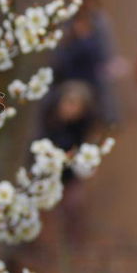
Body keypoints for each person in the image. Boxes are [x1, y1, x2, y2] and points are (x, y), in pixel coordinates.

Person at [52, 0, 121, 127]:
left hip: (95, 68)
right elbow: (60, 52)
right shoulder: (68, 22)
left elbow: (106, 46)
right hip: (74, 71)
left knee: (105, 92)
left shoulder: (99, 20)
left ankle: (109, 119)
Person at [39, 81, 97, 245]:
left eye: (77, 105)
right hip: (48, 173)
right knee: (50, 207)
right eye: (69, 102)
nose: (71, 108)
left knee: (73, 206)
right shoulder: (48, 120)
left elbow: (83, 149)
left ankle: (74, 235)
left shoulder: (82, 125)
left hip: (70, 174)